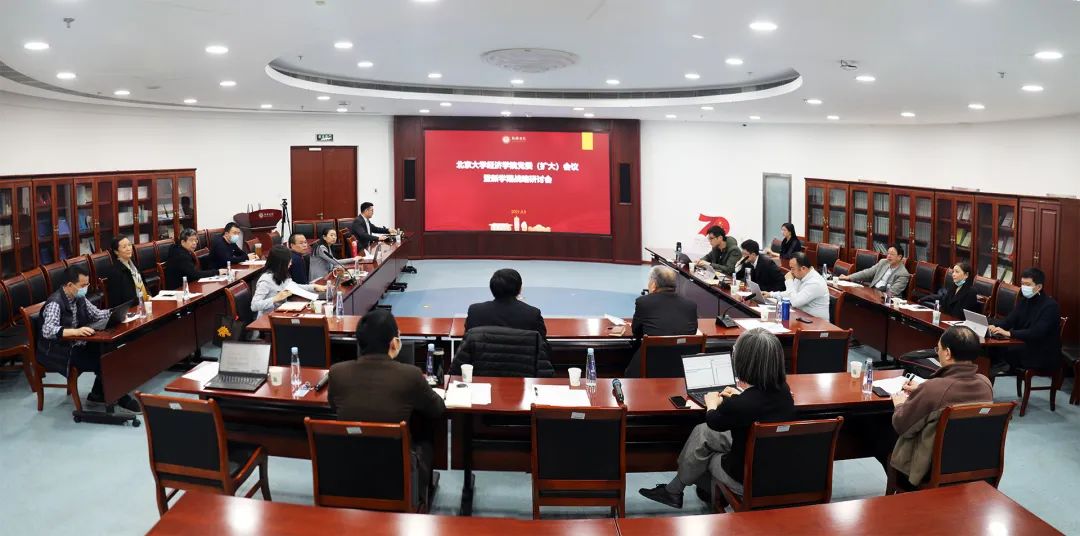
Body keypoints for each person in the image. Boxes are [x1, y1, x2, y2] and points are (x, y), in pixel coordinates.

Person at [639, 328, 795, 508]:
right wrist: (740, 396)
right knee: (703, 432)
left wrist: (712, 403)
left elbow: (714, 421)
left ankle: (686, 492)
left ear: (743, 361)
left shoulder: (740, 405)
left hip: (748, 479)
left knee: (707, 455)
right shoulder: (784, 391)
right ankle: (677, 490)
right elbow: (755, 405)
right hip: (779, 470)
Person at [327, 309, 445, 509]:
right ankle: (420, 493)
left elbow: (333, 405)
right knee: (425, 430)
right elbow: (437, 409)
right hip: (395, 476)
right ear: (393, 343)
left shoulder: (337, 373)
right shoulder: (410, 375)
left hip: (348, 470)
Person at [889, 325, 992, 487]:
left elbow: (901, 425)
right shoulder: (986, 384)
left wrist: (900, 404)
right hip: (972, 465)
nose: (937, 352)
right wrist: (923, 389)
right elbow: (952, 393)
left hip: (930, 470)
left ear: (947, 353)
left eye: (938, 348)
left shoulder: (933, 390)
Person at [38, 265, 141, 413]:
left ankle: (97, 394)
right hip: (60, 350)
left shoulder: (79, 297)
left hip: (78, 343)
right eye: (83, 285)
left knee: (111, 350)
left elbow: (97, 314)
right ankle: (119, 396)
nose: (86, 288)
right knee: (103, 360)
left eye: (87, 284)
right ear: (70, 285)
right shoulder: (55, 303)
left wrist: (118, 312)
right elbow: (47, 330)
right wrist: (75, 331)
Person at [621, 266, 698, 377]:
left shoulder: (644, 303)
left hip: (650, 367)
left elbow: (636, 331)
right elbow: (693, 332)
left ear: (653, 285)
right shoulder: (690, 305)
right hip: (681, 368)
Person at [988, 267, 1061, 371]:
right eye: (1022, 284)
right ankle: (989, 372)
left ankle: (992, 371)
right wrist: (994, 326)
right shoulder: (1024, 301)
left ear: (1039, 287)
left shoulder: (1050, 306)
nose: (1024, 287)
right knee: (990, 347)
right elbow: (1009, 321)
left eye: (1028, 284)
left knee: (1000, 351)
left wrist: (1009, 333)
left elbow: (1037, 332)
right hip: (1023, 343)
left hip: (1041, 352)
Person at [464, 268, 547, 337]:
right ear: (519, 289)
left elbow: (467, 343)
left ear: (492, 287)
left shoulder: (475, 312)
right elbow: (541, 346)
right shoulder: (532, 314)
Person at [250, 245, 325, 319]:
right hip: (267, 319)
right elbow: (254, 306)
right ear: (280, 263)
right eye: (289, 261)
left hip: (281, 313)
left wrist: (314, 287)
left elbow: (296, 287)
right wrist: (275, 298)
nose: (291, 263)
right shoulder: (266, 280)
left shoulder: (282, 275)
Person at [764, 253, 830, 320]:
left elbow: (795, 302)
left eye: (792, 269)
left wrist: (789, 281)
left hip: (816, 323)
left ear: (803, 268)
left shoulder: (815, 283)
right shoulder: (801, 276)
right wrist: (771, 294)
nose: (791, 272)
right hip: (802, 318)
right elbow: (791, 294)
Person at [839, 244, 911, 297]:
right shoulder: (883, 262)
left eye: (892, 254)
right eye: (888, 253)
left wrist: (877, 296)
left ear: (899, 257)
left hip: (886, 299)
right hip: (872, 292)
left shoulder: (903, 274)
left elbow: (892, 292)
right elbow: (867, 273)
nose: (888, 256)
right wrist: (849, 277)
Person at [102, 235, 149, 306]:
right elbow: (116, 301)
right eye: (124, 247)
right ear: (116, 251)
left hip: (144, 302)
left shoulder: (134, 264)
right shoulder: (115, 272)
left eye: (129, 245)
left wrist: (148, 296)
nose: (128, 249)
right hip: (131, 308)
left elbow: (144, 284)